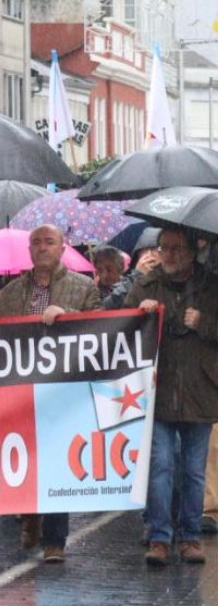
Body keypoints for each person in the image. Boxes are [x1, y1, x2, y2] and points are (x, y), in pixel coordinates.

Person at [0, 223, 102, 563]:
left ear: (62, 247)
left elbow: (101, 329)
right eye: (36, 242)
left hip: (63, 389)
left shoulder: (84, 288)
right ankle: (29, 516)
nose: (42, 247)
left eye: (49, 241)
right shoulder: (10, 293)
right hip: (20, 388)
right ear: (29, 250)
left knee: (56, 460)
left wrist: (68, 316)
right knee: (23, 458)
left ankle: (55, 539)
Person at [125, 227, 218, 566]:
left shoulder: (212, 285)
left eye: (177, 248)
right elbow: (120, 327)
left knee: (194, 470)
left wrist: (204, 324)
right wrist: (141, 313)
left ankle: (190, 537)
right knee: (161, 465)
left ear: (193, 252)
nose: (169, 254)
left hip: (200, 390)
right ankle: (160, 536)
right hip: (158, 392)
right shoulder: (146, 284)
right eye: (164, 247)